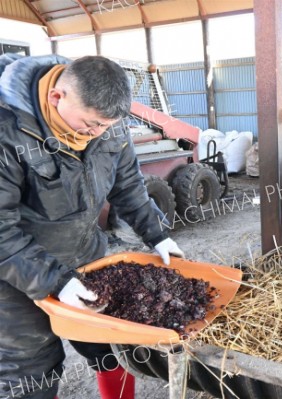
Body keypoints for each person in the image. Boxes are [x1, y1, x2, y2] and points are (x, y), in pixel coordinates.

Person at [0, 53, 184, 399]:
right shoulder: (7, 133)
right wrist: (53, 280)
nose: (98, 133)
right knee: (30, 370)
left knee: (111, 350)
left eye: (106, 126)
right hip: (16, 278)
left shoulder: (106, 122)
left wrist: (157, 235)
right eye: (90, 124)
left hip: (86, 259)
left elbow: (128, 184)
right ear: (57, 97)